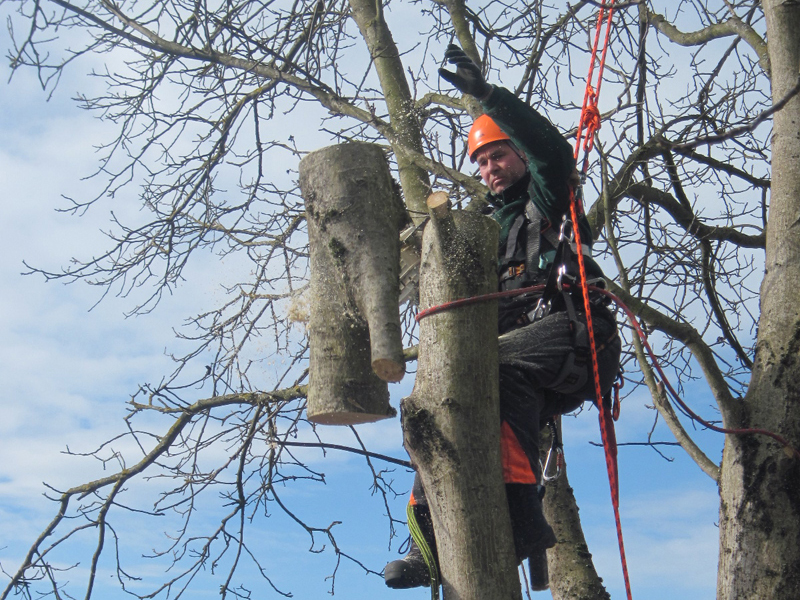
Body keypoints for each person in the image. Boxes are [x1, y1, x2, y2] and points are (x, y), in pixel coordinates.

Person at [384, 45, 622, 591]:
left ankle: (520, 520)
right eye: (482, 162)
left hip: (573, 332)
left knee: (496, 370)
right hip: (520, 351)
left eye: (498, 155)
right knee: (441, 403)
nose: (490, 169)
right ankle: (434, 541)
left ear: (517, 155)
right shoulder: (480, 232)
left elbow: (552, 152)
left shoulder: (547, 199)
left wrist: (487, 96)